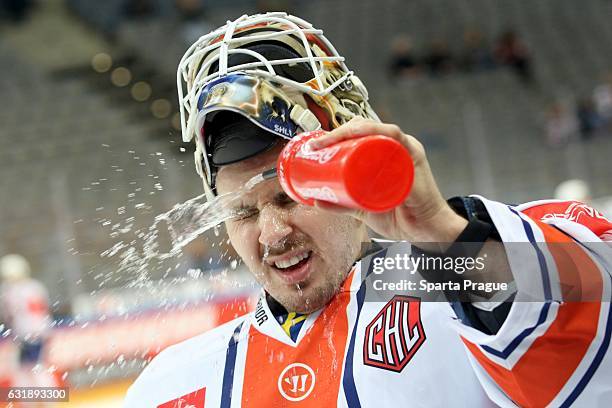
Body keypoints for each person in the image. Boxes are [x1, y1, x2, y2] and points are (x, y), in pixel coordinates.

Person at [125, 13, 612, 407]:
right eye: (242, 212)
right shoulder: (172, 385)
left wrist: (442, 234)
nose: (272, 234)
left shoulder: (466, 291)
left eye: (288, 194)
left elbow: (589, 339)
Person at [0, 254, 56, 388]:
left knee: (26, 369)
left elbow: (9, 315)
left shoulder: (9, 290)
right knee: (35, 366)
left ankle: (38, 401)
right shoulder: (35, 286)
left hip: (25, 332)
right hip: (42, 329)